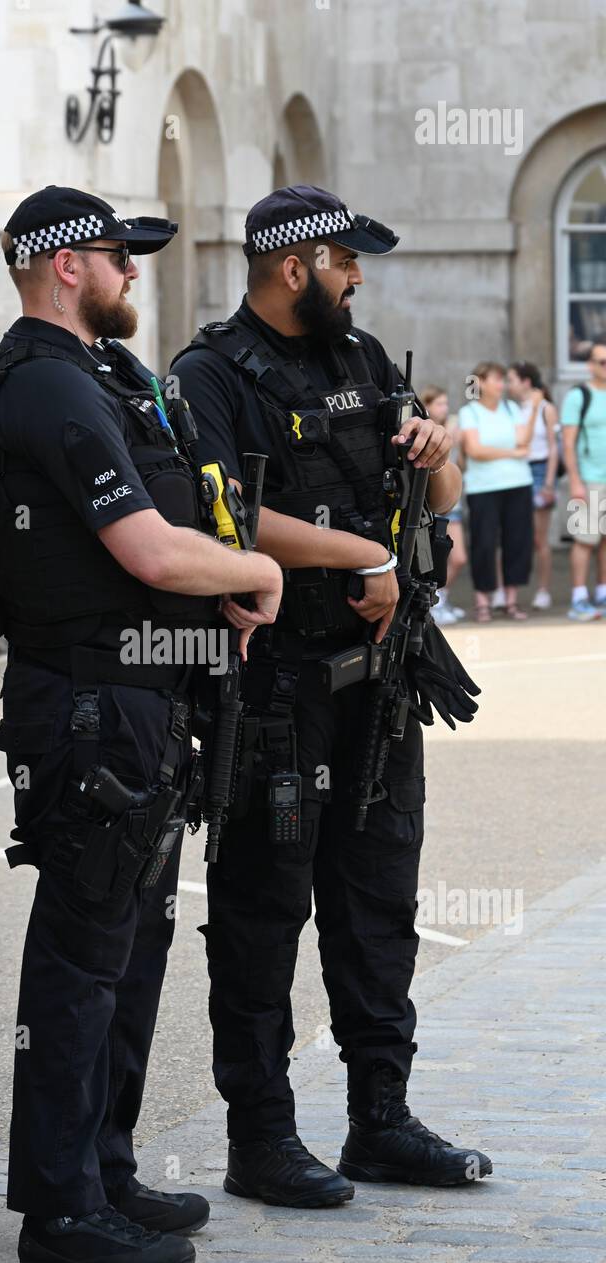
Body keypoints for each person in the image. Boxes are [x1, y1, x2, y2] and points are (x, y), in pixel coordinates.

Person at [0, 186, 283, 1263]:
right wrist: (259, 570)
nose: (135, 272)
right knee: (82, 958)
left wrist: (225, 579)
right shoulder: (48, 384)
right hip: (91, 712)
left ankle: (102, 1167)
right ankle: (60, 1210)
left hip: (141, 703)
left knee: (130, 949)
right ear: (65, 266)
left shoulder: (98, 378)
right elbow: (150, 551)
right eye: (119, 255)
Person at [171, 184, 491, 1208]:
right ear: (295, 263)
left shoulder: (361, 358)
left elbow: (432, 496)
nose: (359, 279)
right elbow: (224, 520)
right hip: (277, 689)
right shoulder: (209, 373)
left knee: (379, 899)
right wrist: (356, 553)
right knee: (265, 909)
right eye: (347, 261)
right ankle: (260, 1139)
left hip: (380, 684)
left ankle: (380, 1122)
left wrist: (439, 456)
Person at [457, 362, 542, 622]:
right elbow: (475, 450)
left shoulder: (512, 408)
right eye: (496, 379)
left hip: (518, 484)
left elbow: (524, 442)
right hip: (484, 487)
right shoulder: (469, 412)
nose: (501, 385)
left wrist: (535, 407)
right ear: (480, 382)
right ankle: (483, 601)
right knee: (484, 542)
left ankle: (510, 600)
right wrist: (511, 453)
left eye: (503, 380)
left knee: (517, 542)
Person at [506, 362, 559, 612]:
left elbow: (553, 447)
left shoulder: (546, 408)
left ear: (526, 382)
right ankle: (503, 591)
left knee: (539, 538)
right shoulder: (514, 409)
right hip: (517, 470)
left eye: (512, 380)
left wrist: (549, 483)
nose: (508, 385)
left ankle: (543, 590)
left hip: (538, 471)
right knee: (510, 535)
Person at [560, 336, 606, 621]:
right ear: (590, 365)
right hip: (589, 480)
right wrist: (575, 481)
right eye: (602, 361)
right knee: (585, 540)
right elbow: (567, 444)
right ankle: (578, 597)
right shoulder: (579, 396)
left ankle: (602, 592)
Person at [421, 385, 467, 624]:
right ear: (426, 406)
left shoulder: (452, 428)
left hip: (452, 502)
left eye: (446, 403)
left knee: (458, 557)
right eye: (439, 403)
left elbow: (459, 464)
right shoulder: (421, 432)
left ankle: (441, 597)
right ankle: (433, 602)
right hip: (428, 508)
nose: (445, 408)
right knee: (432, 557)